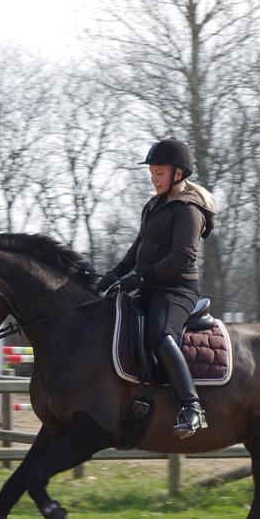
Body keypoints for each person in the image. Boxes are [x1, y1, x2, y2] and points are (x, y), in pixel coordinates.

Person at [97, 138, 217, 438]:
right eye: (151, 173)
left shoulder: (188, 209)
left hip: (178, 290)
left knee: (159, 333)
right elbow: (138, 247)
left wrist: (140, 277)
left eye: (159, 172)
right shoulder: (152, 206)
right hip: (150, 286)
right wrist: (115, 273)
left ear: (178, 173)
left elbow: (182, 257)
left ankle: (192, 408)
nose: (153, 178)